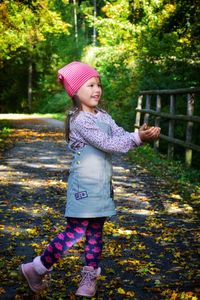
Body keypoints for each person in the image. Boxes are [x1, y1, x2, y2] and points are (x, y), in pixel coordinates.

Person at [19, 61, 160, 298]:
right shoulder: (80, 120)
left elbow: (121, 135)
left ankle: (89, 277)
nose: (97, 90)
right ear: (75, 91)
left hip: (102, 185)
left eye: (98, 85)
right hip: (83, 186)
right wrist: (138, 139)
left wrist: (139, 134)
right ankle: (37, 268)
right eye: (90, 85)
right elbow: (109, 144)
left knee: (95, 232)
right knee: (75, 231)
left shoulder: (103, 115)